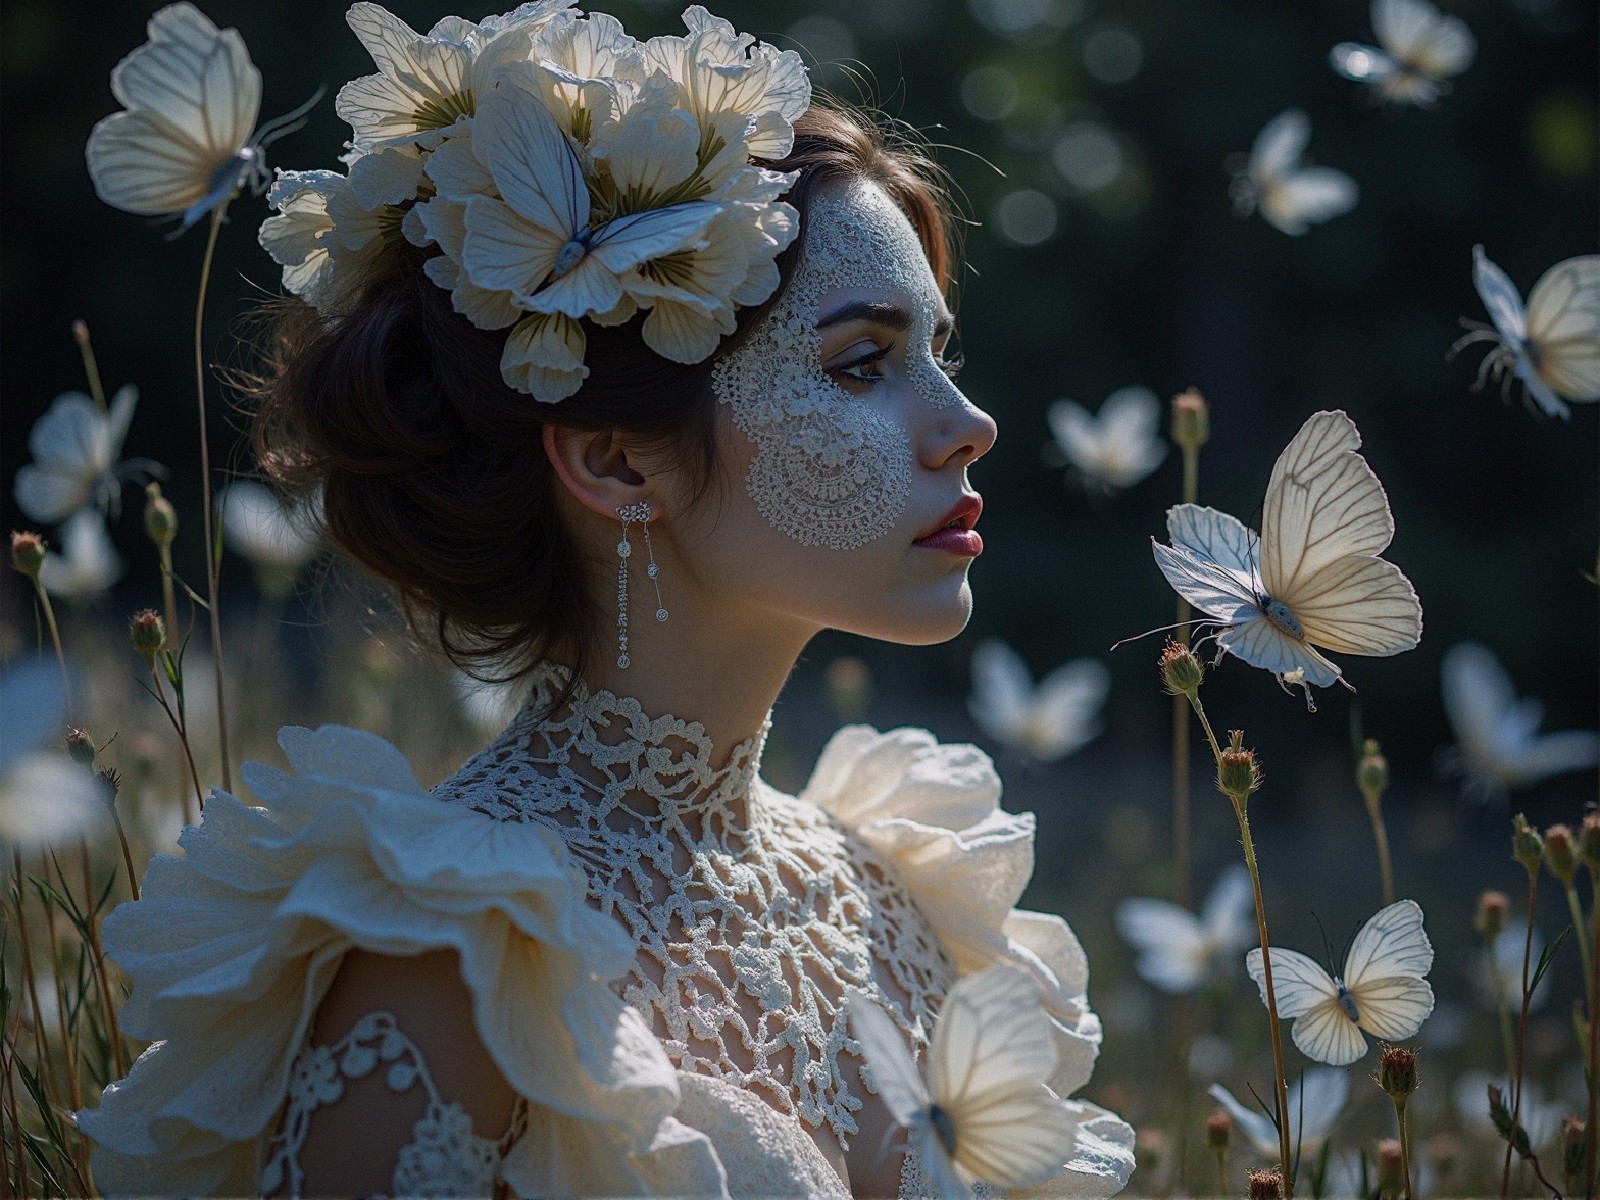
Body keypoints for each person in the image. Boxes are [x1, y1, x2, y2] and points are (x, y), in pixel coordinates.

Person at [78, 4, 1135, 1196]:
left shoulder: (900, 888)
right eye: (860, 365)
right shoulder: (453, 946)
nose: (969, 425)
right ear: (615, 460)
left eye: (942, 352)